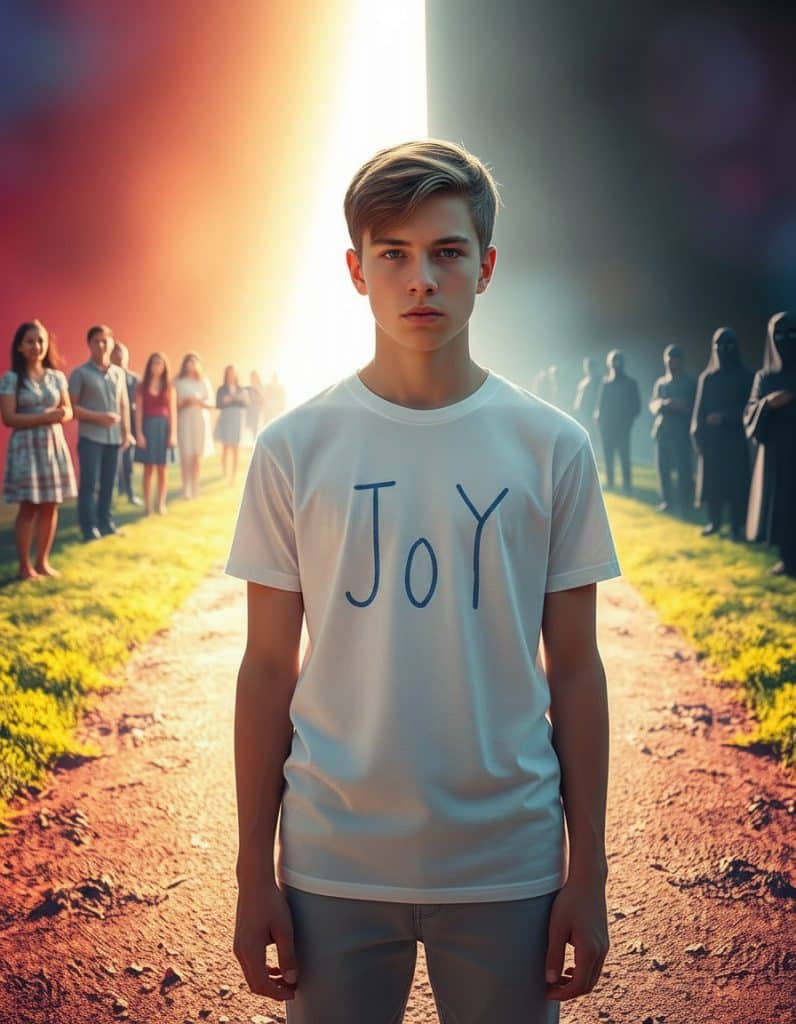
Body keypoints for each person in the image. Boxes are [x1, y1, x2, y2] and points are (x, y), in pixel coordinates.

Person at [226, 140, 620, 1024]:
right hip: (333, 859)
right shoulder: (295, 448)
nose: (421, 280)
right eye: (393, 254)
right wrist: (255, 873)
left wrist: (586, 869)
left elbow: (578, 668)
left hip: (506, 860)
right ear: (355, 271)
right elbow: (265, 670)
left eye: (446, 252)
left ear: (485, 266)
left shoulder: (551, 446)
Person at [0, 320, 77, 579]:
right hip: (26, 448)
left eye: (41, 341)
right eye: (30, 341)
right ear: (20, 347)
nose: (37, 346)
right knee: (29, 507)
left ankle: (43, 561)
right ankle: (25, 566)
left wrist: (59, 414)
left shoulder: (56, 377)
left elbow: (67, 411)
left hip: (52, 445)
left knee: (50, 505)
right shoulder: (11, 380)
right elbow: (9, 418)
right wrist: (45, 417)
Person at [744, 311, 796, 576]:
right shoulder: (764, 377)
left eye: (791, 334)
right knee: (783, 507)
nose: (785, 340)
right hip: (776, 453)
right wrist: (769, 403)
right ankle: (787, 559)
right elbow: (750, 411)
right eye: (779, 335)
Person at [69, 324, 130, 541]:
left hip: (113, 439)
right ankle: (89, 528)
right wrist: (99, 417)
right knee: (89, 484)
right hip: (91, 438)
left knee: (109, 483)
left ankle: (106, 523)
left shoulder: (118, 373)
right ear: (89, 344)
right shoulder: (80, 374)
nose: (102, 345)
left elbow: (124, 404)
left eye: (106, 341)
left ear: (112, 343)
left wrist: (127, 432)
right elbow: (71, 408)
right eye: (97, 341)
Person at [691, 328, 753, 540]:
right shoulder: (707, 378)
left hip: (735, 442)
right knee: (714, 485)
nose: (722, 350)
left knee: (736, 486)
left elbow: (750, 408)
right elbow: (699, 412)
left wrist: (726, 417)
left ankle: (737, 527)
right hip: (712, 444)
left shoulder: (746, 377)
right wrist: (697, 435)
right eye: (718, 346)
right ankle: (714, 522)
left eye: (727, 346)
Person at [649, 343, 696, 516]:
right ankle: (666, 501)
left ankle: (686, 503)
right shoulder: (660, 383)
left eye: (674, 359)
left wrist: (678, 405)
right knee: (663, 468)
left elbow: (692, 407)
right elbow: (653, 404)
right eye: (668, 358)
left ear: (680, 361)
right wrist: (662, 404)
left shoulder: (689, 383)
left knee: (684, 469)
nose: (671, 362)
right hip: (663, 432)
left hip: (682, 432)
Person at [134, 352, 176, 515]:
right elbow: (138, 412)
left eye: (160, 363)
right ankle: (148, 506)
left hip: (164, 429)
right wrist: (139, 433)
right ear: (149, 366)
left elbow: (172, 412)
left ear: (164, 366)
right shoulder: (141, 386)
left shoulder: (169, 386)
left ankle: (161, 504)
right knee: (148, 468)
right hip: (148, 429)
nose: (157, 366)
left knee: (162, 468)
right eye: (154, 363)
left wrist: (173, 435)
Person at [595, 349, 641, 492]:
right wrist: (600, 422)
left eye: (618, 360)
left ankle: (627, 485)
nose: (616, 364)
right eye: (613, 361)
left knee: (624, 457)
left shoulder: (630, 383)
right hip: (607, 427)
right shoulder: (605, 384)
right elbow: (599, 406)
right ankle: (610, 483)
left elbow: (636, 406)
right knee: (608, 456)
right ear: (609, 364)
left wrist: (628, 422)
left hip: (623, 427)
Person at [175, 352, 214, 499]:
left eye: (195, 362)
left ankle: (195, 486)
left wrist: (199, 401)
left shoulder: (203, 381)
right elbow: (173, 405)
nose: (192, 364)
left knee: (197, 455)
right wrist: (185, 402)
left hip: (200, 419)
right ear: (184, 364)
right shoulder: (178, 382)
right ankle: (186, 488)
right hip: (185, 419)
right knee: (186, 454)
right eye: (189, 362)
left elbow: (211, 404)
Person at [110, 341, 142, 506]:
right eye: (116, 354)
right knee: (112, 463)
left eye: (122, 354)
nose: (120, 357)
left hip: (130, 426)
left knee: (128, 462)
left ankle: (129, 493)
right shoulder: (108, 376)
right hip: (112, 425)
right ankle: (113, 494)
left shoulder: (135, 379)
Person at [214, 365, 248, 483]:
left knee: (236, 447)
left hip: (237, 418)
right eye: (229, 373)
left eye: (233, 373)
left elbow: (245, 403)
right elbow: (218, 404)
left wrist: (236, 398)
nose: (231, 375)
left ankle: (233, 476)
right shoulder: (221, 389)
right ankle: (224, 472)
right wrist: (225, 400)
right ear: (226, 374)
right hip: (226, 418)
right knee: (226, 446)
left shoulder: (241, 389)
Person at [573, 357, 601, 445]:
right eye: (586, 366)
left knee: (592, 432)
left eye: (589, 366)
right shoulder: (584, 381)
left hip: (591, 410)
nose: (587, 368)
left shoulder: (599, 380)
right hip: (582, 410)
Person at [245, 370, 265, 443]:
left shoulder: (260, 387)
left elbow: (263, 399)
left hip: (257, 411)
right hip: (249, 411)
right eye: (252, 377)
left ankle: (256, 443)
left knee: (256, 429)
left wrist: (257, 389)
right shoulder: (248, 388)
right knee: (249, 428)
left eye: (254, 377)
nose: (253, 379)